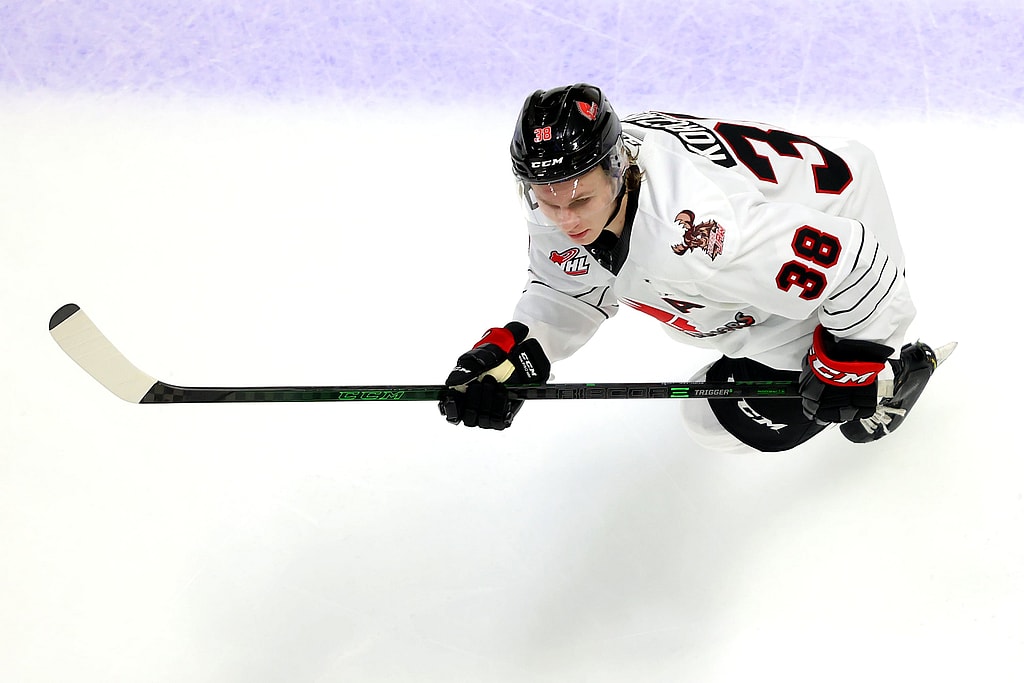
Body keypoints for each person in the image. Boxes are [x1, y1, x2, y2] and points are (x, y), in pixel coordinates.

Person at [438, 83, 952, 452]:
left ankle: (891, 382)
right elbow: (572, 285)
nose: (562, 218)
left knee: (715, 418)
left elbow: (860, 264)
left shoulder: (698, 236)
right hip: (786, 222)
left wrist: (852, 360)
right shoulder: (573, 179)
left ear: (618, 168)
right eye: (546, 202)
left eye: (580, 202)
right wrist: (514, 353)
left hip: (841, 245)